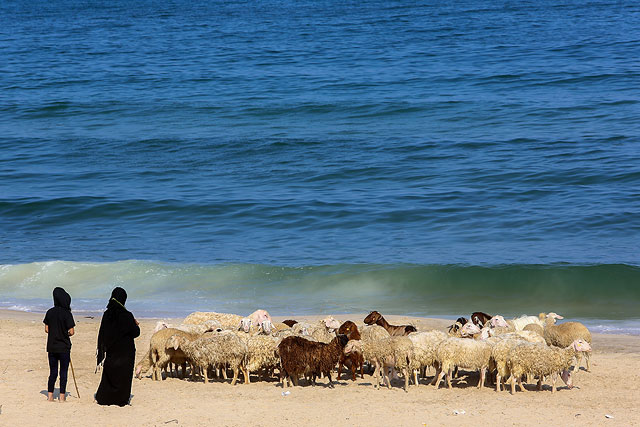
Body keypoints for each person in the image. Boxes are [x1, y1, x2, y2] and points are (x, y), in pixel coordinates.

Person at [95, 287, 140, 406]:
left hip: (112, 350)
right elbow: (136, 333)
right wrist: (135, 324)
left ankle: (105, 398)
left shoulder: (107, 315)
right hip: (126, 351)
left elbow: (103, 333)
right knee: (124, 375)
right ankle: (121, 399)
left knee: (110, 373)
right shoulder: (127, 315)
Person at [43, 287, 75, 402]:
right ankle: (62, 397)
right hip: (64, 347)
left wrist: (55, 332)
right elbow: (71, 332)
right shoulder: (67, 314)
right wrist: (64, 334)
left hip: (52, 346)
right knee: (63, 372)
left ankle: (50, 396)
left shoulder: (50, 312)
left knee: (53, 372)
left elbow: (47, 329)